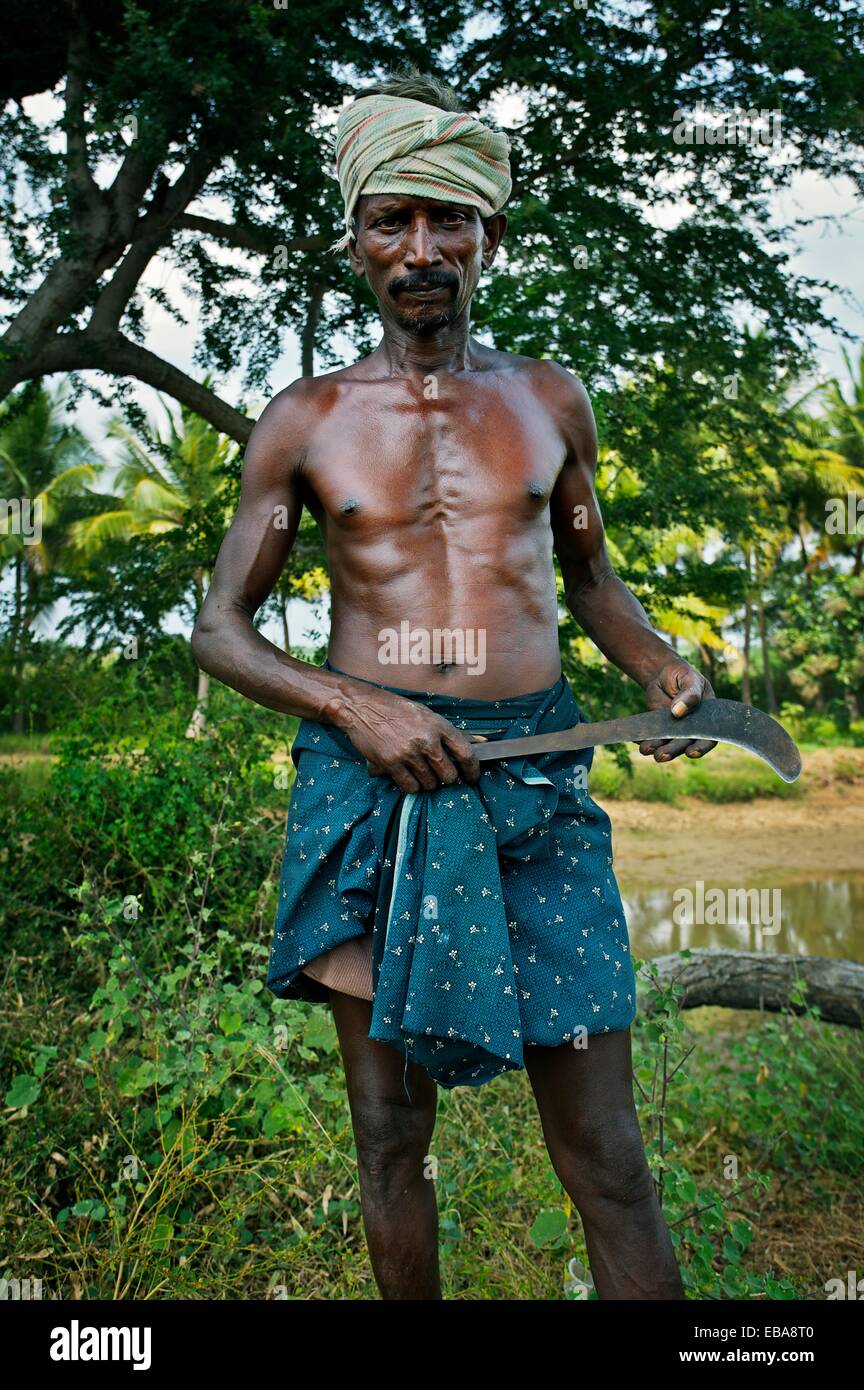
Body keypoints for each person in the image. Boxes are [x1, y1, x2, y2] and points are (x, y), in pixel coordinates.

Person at [191, 68, 717, 1301]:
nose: (421, 249)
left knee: (610, 1159)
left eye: (448, 219)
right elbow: (221, 629)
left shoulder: (549, 402)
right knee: (389, 1141)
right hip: (371, 788)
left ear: (491, 234)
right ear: (358, 241)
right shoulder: (304, 420)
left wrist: (656, 664)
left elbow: (594, 581)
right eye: (393, 220)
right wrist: (356, 706)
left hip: (538, 784)